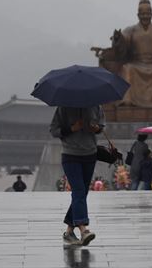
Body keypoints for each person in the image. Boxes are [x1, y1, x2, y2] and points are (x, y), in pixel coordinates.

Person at [50, 105, 104, 247]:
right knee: (79, 191)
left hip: (90, 155)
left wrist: (96, 128)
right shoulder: (63, 107)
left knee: (81, 193)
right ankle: (83, 229)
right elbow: (54, 130)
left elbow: (102, 126)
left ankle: (69, 232)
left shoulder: (95, 106)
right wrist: (71, 128)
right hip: (70, 155)